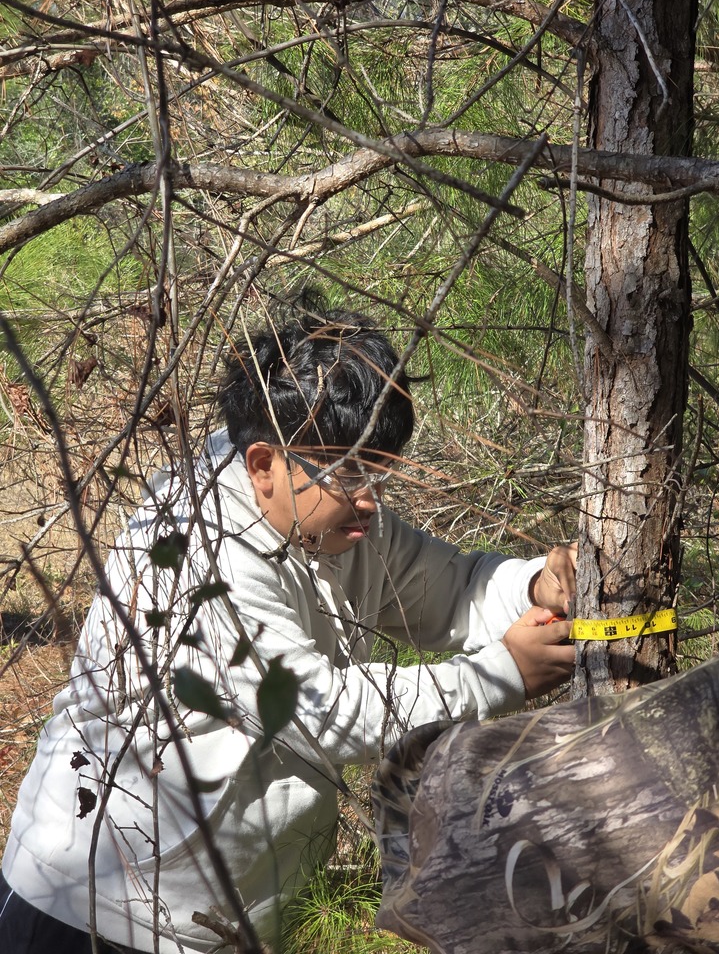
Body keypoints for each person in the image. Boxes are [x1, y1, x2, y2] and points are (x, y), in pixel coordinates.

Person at [0, 293, 575, 954]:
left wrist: (534, 584)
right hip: (93, 912)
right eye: (349, 471)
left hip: (225, 921)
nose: (369, 498)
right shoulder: (193, 549)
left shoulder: (342, 521)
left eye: (380, 471)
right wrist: (502, 674)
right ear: (264, 465)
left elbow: (453, 590)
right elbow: (320, 714)